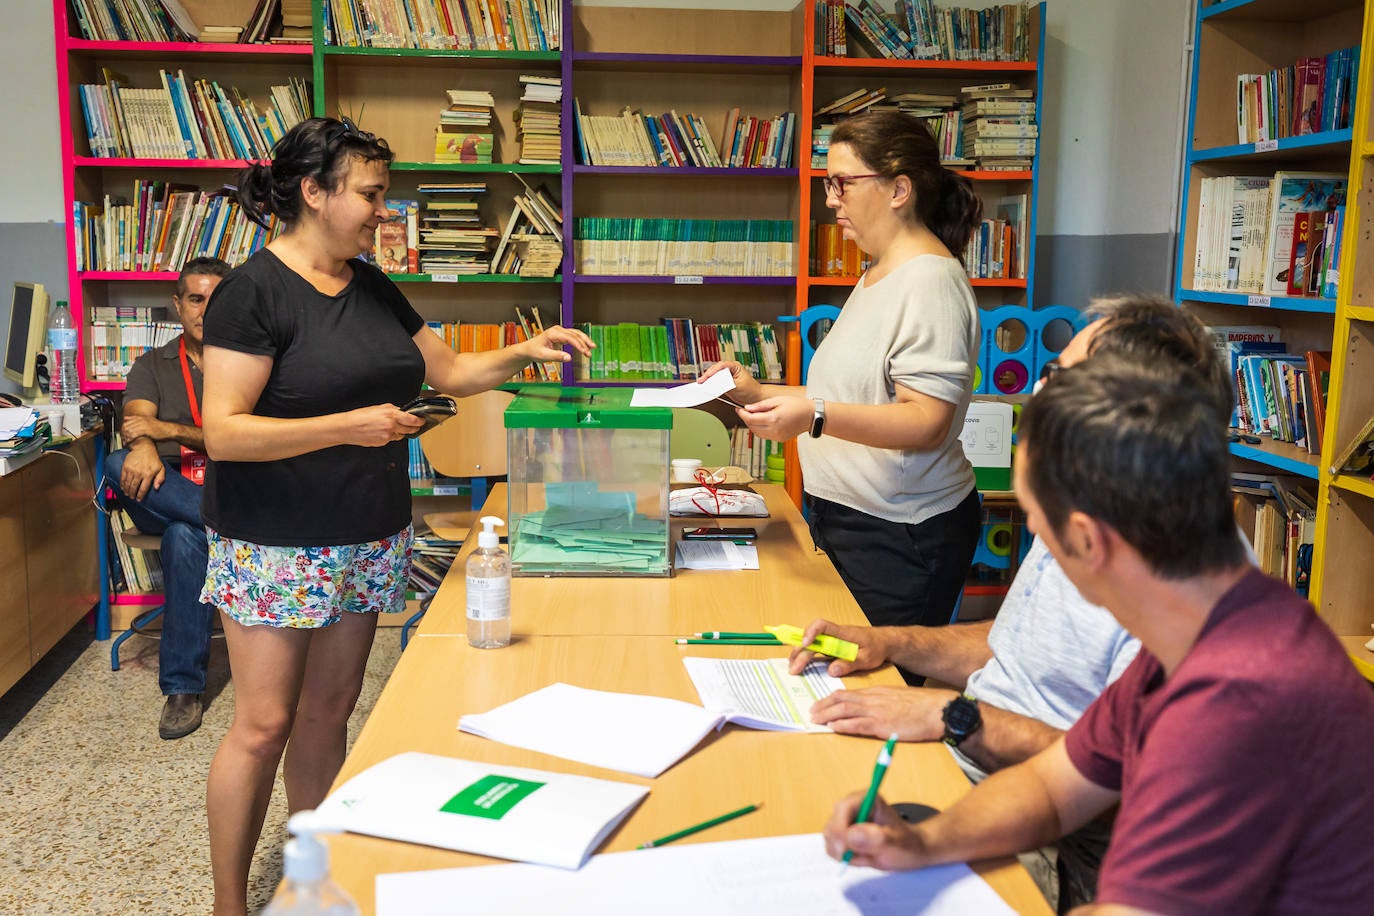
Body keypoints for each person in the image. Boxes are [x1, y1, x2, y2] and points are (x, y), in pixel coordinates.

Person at [199, 116, 591, 915]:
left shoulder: (369, 280)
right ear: (315, 193)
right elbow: (223, 432)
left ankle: (309, 881)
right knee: (263, 724)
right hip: (275, 543)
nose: (384, 208)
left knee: (327, 713)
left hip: (366, 530)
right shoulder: (253, 292)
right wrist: (350, 425)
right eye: (371, 193)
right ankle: (228, 903)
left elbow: (446, 368)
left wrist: (524, 351)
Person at [823, 355, 1374, 914]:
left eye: (1036, 520)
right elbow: (1051, 787)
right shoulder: (1212, 626)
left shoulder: (1237, 703)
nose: (1035, 539)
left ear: (1087, 541)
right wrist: (922, 844)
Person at [789, 294, 1238, 911]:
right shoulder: (1108, 531)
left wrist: (954, 717)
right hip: (995, 787)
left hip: (1067, 849)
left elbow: (1122, 801)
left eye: (1058, 379)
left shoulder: (1208, 635)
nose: (1038, 393)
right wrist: (893, 644)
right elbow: (1066, 765)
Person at [702, 109, 984, 629]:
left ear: (899, 190)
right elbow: (851, 391)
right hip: (847, 517)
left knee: (876, 691)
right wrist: (757, 390)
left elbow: (926, 421)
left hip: (899, 534)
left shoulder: (930, 283)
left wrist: (814, 416)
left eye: (842, 184)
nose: (830, 199)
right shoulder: (879, 270)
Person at [104, 256, 230, 740]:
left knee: (185, 537)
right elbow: (137, 419)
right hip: (165, 488)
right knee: (116, 464)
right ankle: (224, 522)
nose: (205, 310)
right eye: (196, 299)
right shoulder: (152, 363)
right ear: (178, 306)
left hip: (226, 483)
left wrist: (169, 430)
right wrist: (141, 445)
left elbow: (243, 440)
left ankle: (182, 689)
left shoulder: (248, 361)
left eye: (217, 299)